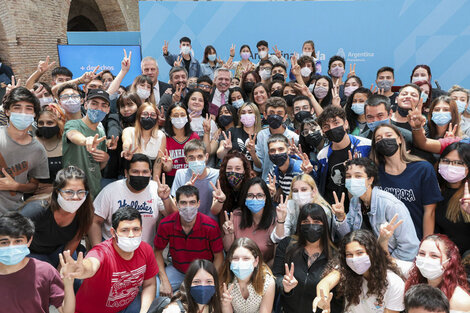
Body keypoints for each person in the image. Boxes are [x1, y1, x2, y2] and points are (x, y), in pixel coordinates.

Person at [61, 205, 158, 313]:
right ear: (113, 232)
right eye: (124, 230)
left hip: (127, 306)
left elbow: (149, 284)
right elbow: (92, 264)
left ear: (141, 230)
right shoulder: (102, 252)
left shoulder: (146, 249)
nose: (131, 235)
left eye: (136, 229)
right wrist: (81, 270)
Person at [333, 158, 419, 261]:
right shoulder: (355, 201)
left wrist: (389, 265)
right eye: (348, 176)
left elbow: (409, 248)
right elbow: (349, 238)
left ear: (370, 179)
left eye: (358, 176)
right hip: (364, 261)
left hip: (390, 263)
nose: (352, 180)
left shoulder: (390, 205)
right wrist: (341, 218)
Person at [370, 124, 442, 239]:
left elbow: (430, 212)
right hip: (388, 241)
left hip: (417, 238)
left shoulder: (423, 169)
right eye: (379, 139)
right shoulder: (375, 172)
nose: (384, 140)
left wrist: (425, 244)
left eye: (388, 135)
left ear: (399, 139)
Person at [90, 153, 176, 247]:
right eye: (135, 172)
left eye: (145, 172)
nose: (140, 175)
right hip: (114, 250)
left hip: (145, 251)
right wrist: (98, 250)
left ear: (150, 172)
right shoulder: (110, 191)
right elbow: (94, 221)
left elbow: (174, 217)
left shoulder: (157, 189)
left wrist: (166, 198)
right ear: (126, 173)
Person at [272, 203, 342, 313]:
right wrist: (285, 286)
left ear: (324, 225)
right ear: (299, 224)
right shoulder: (287, 245)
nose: (311, 226)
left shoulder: (334, 255)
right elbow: (276, 276)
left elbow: (337, 294)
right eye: (306, 222)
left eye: (316, 222)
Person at [314, 229, 405, 313]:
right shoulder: (346, 270)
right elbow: (325, 283)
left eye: (360, 253)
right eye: (349, 254)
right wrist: (323, 298)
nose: (354, 259)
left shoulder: (394, 283)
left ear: (373, 252)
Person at [155, 185, 224, 295]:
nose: (188, 207)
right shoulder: (166, 224)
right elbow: (157, 252)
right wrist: (164, 281)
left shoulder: (210, 226)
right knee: (157, 290)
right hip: (177, 270)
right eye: (183, 203)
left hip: (203, 271)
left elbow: (219, 257)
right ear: (176, 204)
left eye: (192, 202)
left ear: (198, 203)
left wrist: (210, 279)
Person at [21, 166, 92, 267]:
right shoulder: (37, 209)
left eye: (81, 192)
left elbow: (74, 240)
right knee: (46, 275)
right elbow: (12, 234)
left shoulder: (84, 212)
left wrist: (61, 269)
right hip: (30, 252)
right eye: (69, 192)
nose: (75, 197)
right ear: (57, 191)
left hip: (58, 251)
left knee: (75, 280)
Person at [0, 212, 65, 313]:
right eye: (4, 242)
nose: (11, 247)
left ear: (29, 241)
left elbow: (66, 309)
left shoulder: (46, 271)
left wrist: (69, 283)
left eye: (18, 241)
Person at [0, 87, 49, 211]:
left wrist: (16, 186)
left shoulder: (38, 150)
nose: (23, 113)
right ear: (7, 111)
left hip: (12, 214)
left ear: (34, 115)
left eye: (28, 109)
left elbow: (33, 186)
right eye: (17, 108)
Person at [314, 105, 371, 206]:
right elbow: (321, 182)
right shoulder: (322, 155)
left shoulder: (366, 145)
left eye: (336, 123)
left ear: (346, 124)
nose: (332, 128)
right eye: (326, 126)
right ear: (323, 131)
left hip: (360, 204)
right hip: (333, 206)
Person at [62, 89, 113, 198]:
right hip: (73, 192)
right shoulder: (73, 124)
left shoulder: (101, 132)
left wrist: (105, 158)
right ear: (85, 105)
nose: (99, 108)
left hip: (94, 190)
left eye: (104, 105)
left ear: (108, 110)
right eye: (94, 104)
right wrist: (85, 141)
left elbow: (99, 166)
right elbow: (72, 134)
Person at [405, 234, 470, 312]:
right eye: (422, 253)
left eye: (434, 255)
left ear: (449, 261)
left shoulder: (459, 300)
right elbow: (391, 264)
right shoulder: (412, 280)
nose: (426, 259)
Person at [222, 177, 276, 264]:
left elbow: (276, 257)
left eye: (259, 195)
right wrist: (229, 234)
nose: (255, 199)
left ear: (266, 197)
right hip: (239, 268)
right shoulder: (236, 216)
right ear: (245, 198)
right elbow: (228, 249)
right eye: (250, 195)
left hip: (265, 270)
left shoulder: (275, 220)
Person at [271, 174, 334, 243]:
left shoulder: (324, 211)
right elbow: (278, 239)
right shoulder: (289, 206)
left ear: (314, 191)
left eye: (304, 190)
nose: (299, 194)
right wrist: (281, 221)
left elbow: (326, 240)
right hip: (293, 247)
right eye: (295, 191)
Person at [219, 237, 276, 313]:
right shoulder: (224, 280)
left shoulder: (267, 282)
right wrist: (225, 304)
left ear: (256, 261)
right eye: (235, 258)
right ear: (230, 260)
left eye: (246, 258)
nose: (240, 263)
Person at [434, 142, 470, 256]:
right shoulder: (435, 189)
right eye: (446, 161)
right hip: (443, 257)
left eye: (459, 163)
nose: (451, 166)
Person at [170, 139, 219, 221]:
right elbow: (175, 208)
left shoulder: (217, 174)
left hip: (210, 226)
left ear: (206, 157)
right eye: (191, 158)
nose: (196, 161)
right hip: (187, 224)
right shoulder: (180, 174)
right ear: (186, 160)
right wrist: (183, 192)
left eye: (200, 157)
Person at [254, 97, 299, 180]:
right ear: (265, 115)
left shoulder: (294, 138)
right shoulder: (261, 135)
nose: (275, 116)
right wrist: (252, 153)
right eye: (271, 112)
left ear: (285, 117)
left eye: (279, 113)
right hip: (266, 181)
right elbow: (260, 166)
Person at [122, 102, 166, 178]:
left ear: (157, 118)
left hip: (149, 177)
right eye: (145, 114)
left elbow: (157, 165)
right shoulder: (129, 131)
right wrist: (126, 150)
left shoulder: (161, 136)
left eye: (152, 115)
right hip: (129, 176)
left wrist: (155, 185)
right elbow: (127, 143)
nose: (148, 117)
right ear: (139, 116)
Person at [162, 103, 201, 187]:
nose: (179, 118)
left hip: (191, 178)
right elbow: (162, 166)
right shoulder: (164, 137)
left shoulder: (194, 137)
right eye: (175, 115)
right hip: (170, 179)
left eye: (182, 115)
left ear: (187, 117)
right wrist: (166, 167)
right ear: (169, 118)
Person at [211, 151, 254, 221]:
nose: (233, 172)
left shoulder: (252, 185)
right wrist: (220, 201)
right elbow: (214, 211)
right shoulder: (220, 184)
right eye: (229, 168)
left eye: (238, 168)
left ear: (244, 170)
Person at [34, 107, 64, 194]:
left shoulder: (67, 144)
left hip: (62, 194)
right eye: (41, 123)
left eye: (50, 123)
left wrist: (55, 188)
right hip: (36, 194)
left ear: (59, 123)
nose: (45, 126)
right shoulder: (31, 143)